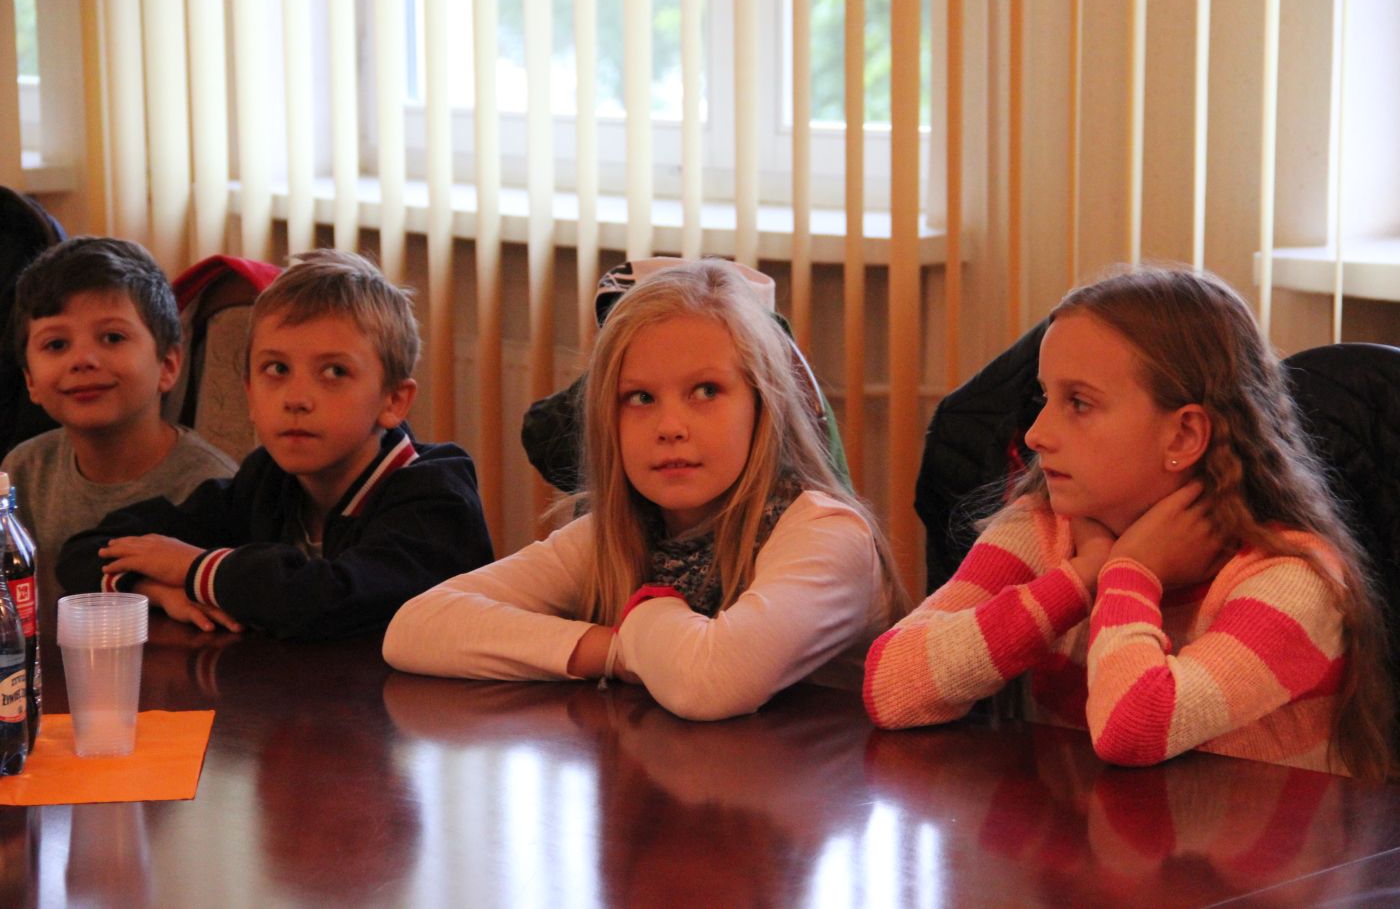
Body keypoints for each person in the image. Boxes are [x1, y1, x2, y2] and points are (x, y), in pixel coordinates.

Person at [864, 265, 1394, 781]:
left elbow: (1134, 727)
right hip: (1098, 834)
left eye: (1079, 403)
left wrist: (1130, 572)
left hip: (1252, 845)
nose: (1035, 434)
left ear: (1183, 436)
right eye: (1044, 397)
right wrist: (1076, 580)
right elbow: (891, 687)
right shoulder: (1047, 528)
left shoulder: (1293, 579)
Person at [384, 258, 905, 720]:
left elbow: (710, 683)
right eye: (639, 398)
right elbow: (417, 626)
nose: (670, 427)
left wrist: (644, 610)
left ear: (763, 407)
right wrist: (612, 651)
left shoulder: (827, 533)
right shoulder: (618, 532)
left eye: (706, 391)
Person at [56, 249, 494, 639]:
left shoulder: (436, 495)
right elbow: (85, 550)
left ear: (393, 401)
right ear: (250, 393)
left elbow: (330, 599)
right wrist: (151, 585)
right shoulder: (267, 479)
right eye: (277, 369)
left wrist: (192, 568)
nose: (296, 399)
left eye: (334, 372)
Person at [2, 237, 237, 611]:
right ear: (30, 379)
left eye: (112, 337)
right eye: (56, 345)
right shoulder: (23, 471)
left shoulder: (211, 486)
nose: (83, 360)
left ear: (168, 365)